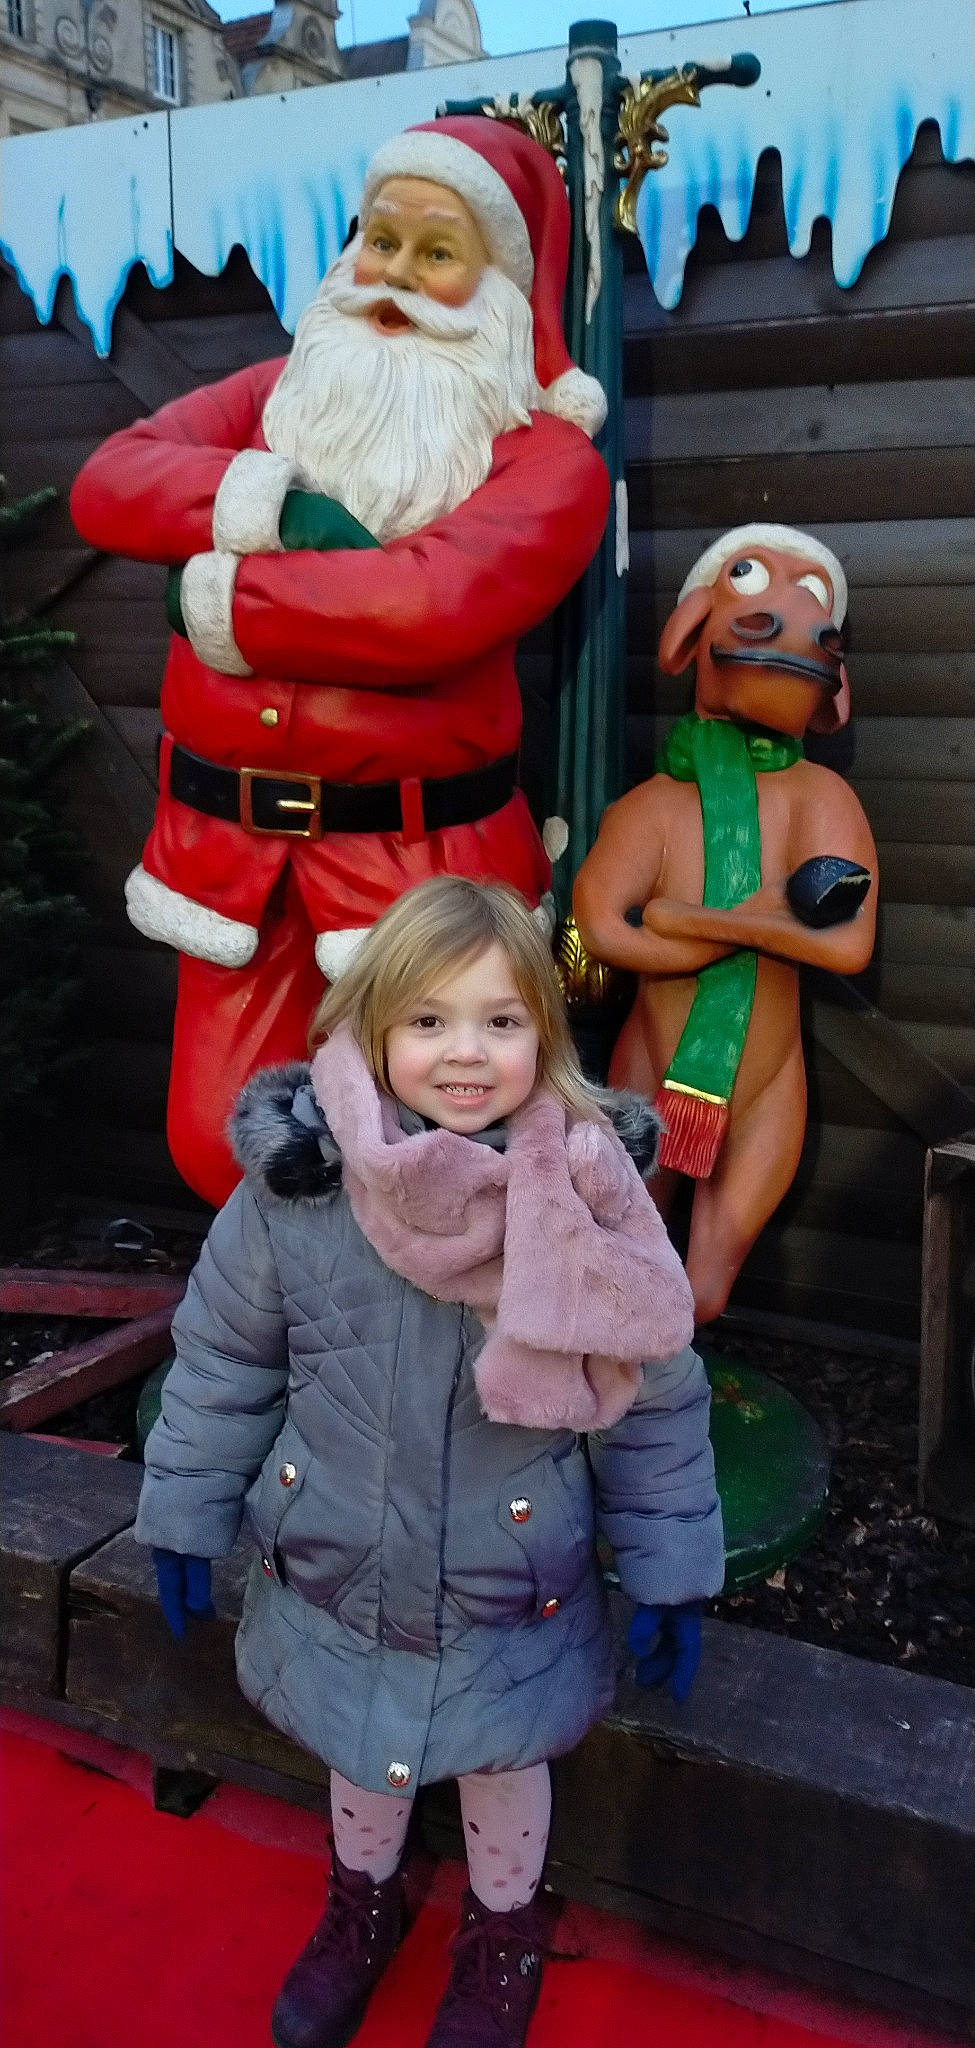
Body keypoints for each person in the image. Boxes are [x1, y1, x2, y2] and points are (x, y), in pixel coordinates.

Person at [135, 876, 724, 2048]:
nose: (466, 1053)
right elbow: (222, 1359)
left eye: (501, 1021)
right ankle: (364, 1900)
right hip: (340, 1560)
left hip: (513, 1574)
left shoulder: (588, 1202)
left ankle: (503, 1927)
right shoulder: (297, 1199)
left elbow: (654, 1395)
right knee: (362, 1750)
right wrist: (182, 1505)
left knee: (506, 1760)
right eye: (429, 1020)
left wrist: (671, 1565)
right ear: (371, 1028)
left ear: (543, 1038)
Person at [69, 115, 611, 1207]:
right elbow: (110, 482)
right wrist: (285, 503)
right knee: (218, 1144)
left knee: (430, 1163)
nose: (393, 276)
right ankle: (271, 1353)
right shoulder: (281, 394)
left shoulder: (549, 463)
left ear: (497, 283)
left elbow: (422, 605)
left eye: (437, 251)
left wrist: (217, 591)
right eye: (380, 238)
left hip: (419, 874)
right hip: (226, 859)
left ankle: (420, 1368)